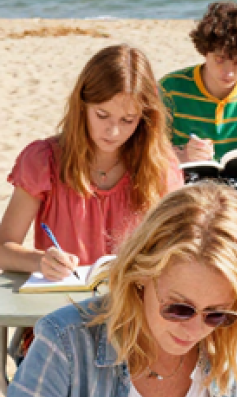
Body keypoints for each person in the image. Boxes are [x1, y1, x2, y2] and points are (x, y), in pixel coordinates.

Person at [0, 181, 237, 397]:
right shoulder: (66, 341)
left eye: (217, 314)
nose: (195, 330)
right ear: (140, 276)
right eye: (179, 308)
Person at [1, 44, 183, 280]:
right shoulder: (42, 160)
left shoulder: (160, 165)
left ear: (145, 119)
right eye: (102, 115)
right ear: (82, 106)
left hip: (133, 306)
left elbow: (178, 248)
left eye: (128, 119)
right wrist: (40, 261)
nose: (114, 131)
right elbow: (4, 248)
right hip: (61, 303)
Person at [160, 1, 237, 173]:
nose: (229, 73)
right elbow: (150, 152)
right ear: (205, 51)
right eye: (219, 60)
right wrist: (183, 154)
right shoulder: (170, 88)